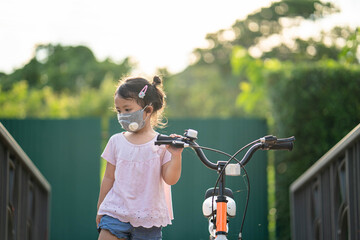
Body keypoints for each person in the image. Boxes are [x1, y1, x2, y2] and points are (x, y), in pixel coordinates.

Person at [96, 76, 183, 240]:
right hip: (115, 213)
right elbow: (108, 177)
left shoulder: (161, 144)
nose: (122, 115)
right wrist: (101, 208)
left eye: (127, 110)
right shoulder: (116, 141)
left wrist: (176, 156)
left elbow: (170, 179)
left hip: (148, 220)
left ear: (148, 110)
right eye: (119, 111)